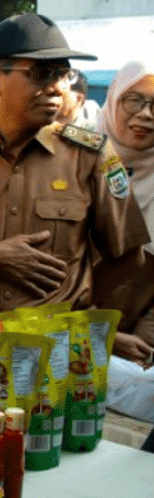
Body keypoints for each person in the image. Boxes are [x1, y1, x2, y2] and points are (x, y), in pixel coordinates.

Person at [0, 14, 149, 319]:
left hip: (60, 354)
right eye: (41, 73)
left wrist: (78, 310)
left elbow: (128, 259)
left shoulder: (90, 156)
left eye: (64, 74)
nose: (58, 88)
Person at [96, 61, 154, 364]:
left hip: (137, 358)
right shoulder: (74, 163)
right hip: (61, 338)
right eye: (134, 100)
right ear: (113, 99)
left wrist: (143, 348)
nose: (145, 114)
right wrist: (102, 335)